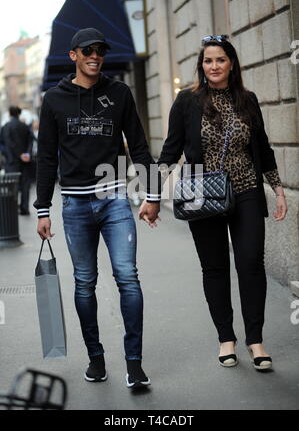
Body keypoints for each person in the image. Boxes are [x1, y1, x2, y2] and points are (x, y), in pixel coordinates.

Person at [140, 35, 287, 370]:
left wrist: (277, 189)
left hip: (246, 189)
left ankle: (255, 340)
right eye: (208, 60)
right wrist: (152, 196)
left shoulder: (248, 100)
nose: (214, 66)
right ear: (201, 65)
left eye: (220, 59)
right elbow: (170, 151)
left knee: (250, 262)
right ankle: (226, 338)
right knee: (215, 267)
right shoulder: (187, 101)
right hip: (202, 193)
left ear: (231, 63)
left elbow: (262, 148)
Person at [34, 28, 160, 388]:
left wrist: (151, 196)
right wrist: (43, 209)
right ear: (73, 55)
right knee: (85, 283)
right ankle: (96, 358)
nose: (95, 55)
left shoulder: (119, 92)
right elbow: (45, 158)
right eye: (87, 50)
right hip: (74, 203)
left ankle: (134, 364)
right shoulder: (54, 99)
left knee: (127, 277)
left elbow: (137, 145)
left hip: (115, 199)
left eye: (100, 50)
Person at [1, 106, 33, 214]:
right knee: (25, 186)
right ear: (19, 114)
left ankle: (12, 209)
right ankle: (25, 208)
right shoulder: (25, 126)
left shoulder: (6, 127)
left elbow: (6, 143)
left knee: (12, 186)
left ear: (10, 114)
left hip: (11, 162)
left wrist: (18, 154)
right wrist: (26, 154)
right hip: (25, 161)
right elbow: (31, 141)